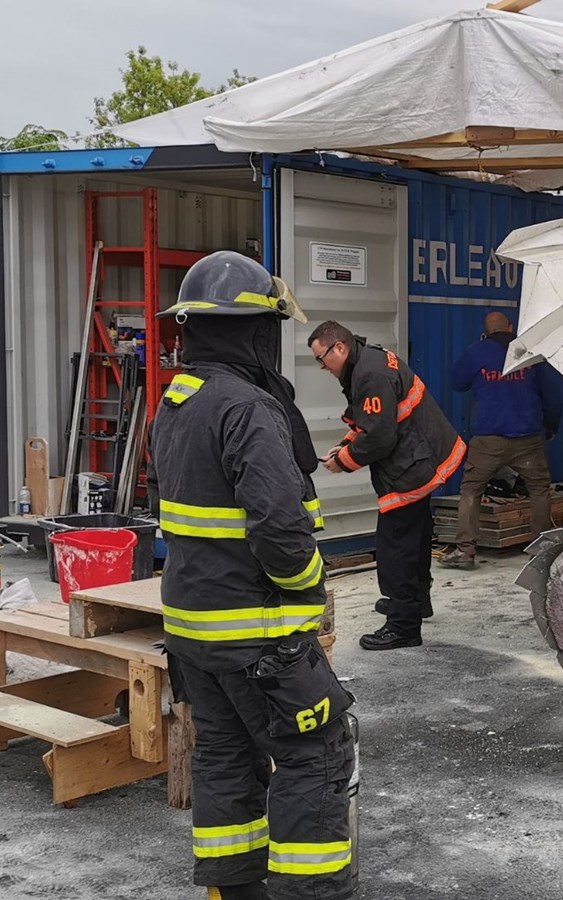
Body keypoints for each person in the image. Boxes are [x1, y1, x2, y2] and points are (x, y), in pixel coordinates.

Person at [149, 250, 355, 900]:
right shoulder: (248, 408)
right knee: (315, 754)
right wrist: (307, 585)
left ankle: (231, 891)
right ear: (252, 330)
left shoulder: (178, 403)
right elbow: (280, 529)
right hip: (259, 638)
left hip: (194, 634)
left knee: (226, 756)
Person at [307, 320, 465, 651]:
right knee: (416, 536)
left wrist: (344, 461)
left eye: (322, 358)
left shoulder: (370, 373)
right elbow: (372, 418)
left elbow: (379, 436)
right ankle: (416, 601)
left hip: (410, 464)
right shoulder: (367, 361)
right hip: (419, 455)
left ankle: (403, 624)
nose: (322, 366)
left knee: (395, 547)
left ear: (339, 347)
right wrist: (348, 443)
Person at [438, 311, 562, 570]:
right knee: (539, 489)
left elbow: (457, 382)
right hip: (527, 438)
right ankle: (540, 547)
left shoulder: (477, 351)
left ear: (486, 331)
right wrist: (551, 426)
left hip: (488, 440)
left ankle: (465, 551)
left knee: (471, 489)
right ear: (511, 327)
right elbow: (552, 396)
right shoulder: (530, 353)